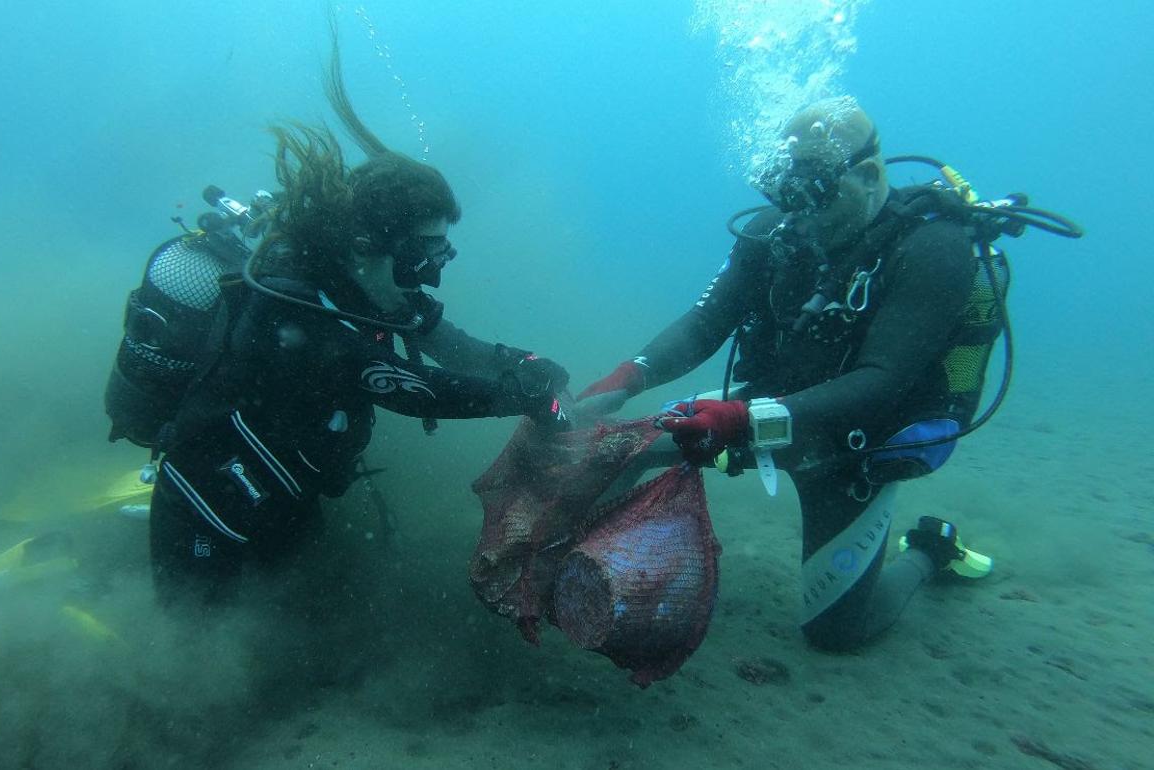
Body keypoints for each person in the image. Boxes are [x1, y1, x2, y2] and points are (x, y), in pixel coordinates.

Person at [138, 39, 570, 605]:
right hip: (207, 499)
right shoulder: (294, 306)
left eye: (440, 255)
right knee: (193, 655)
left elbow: (450, 345)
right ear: (372, 242)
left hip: (289, 492)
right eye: (425, 254)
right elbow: (410, 387)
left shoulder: (373, 284)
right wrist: (522, 396)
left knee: (304, 627)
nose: (432, 272)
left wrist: (520, 362)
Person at [576, 97, 996, 652]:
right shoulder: (776, 232)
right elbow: (707, 322)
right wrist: (631, 374)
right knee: (616, 451)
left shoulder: (934, 249)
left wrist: (741, 419)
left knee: (837, 632)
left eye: (816, 194)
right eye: (788, 193)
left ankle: (930, 550)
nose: (800, 214)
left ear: (869, 175)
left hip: (855, 448)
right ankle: (581, 574)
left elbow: (884, 378)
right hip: (756, 412)